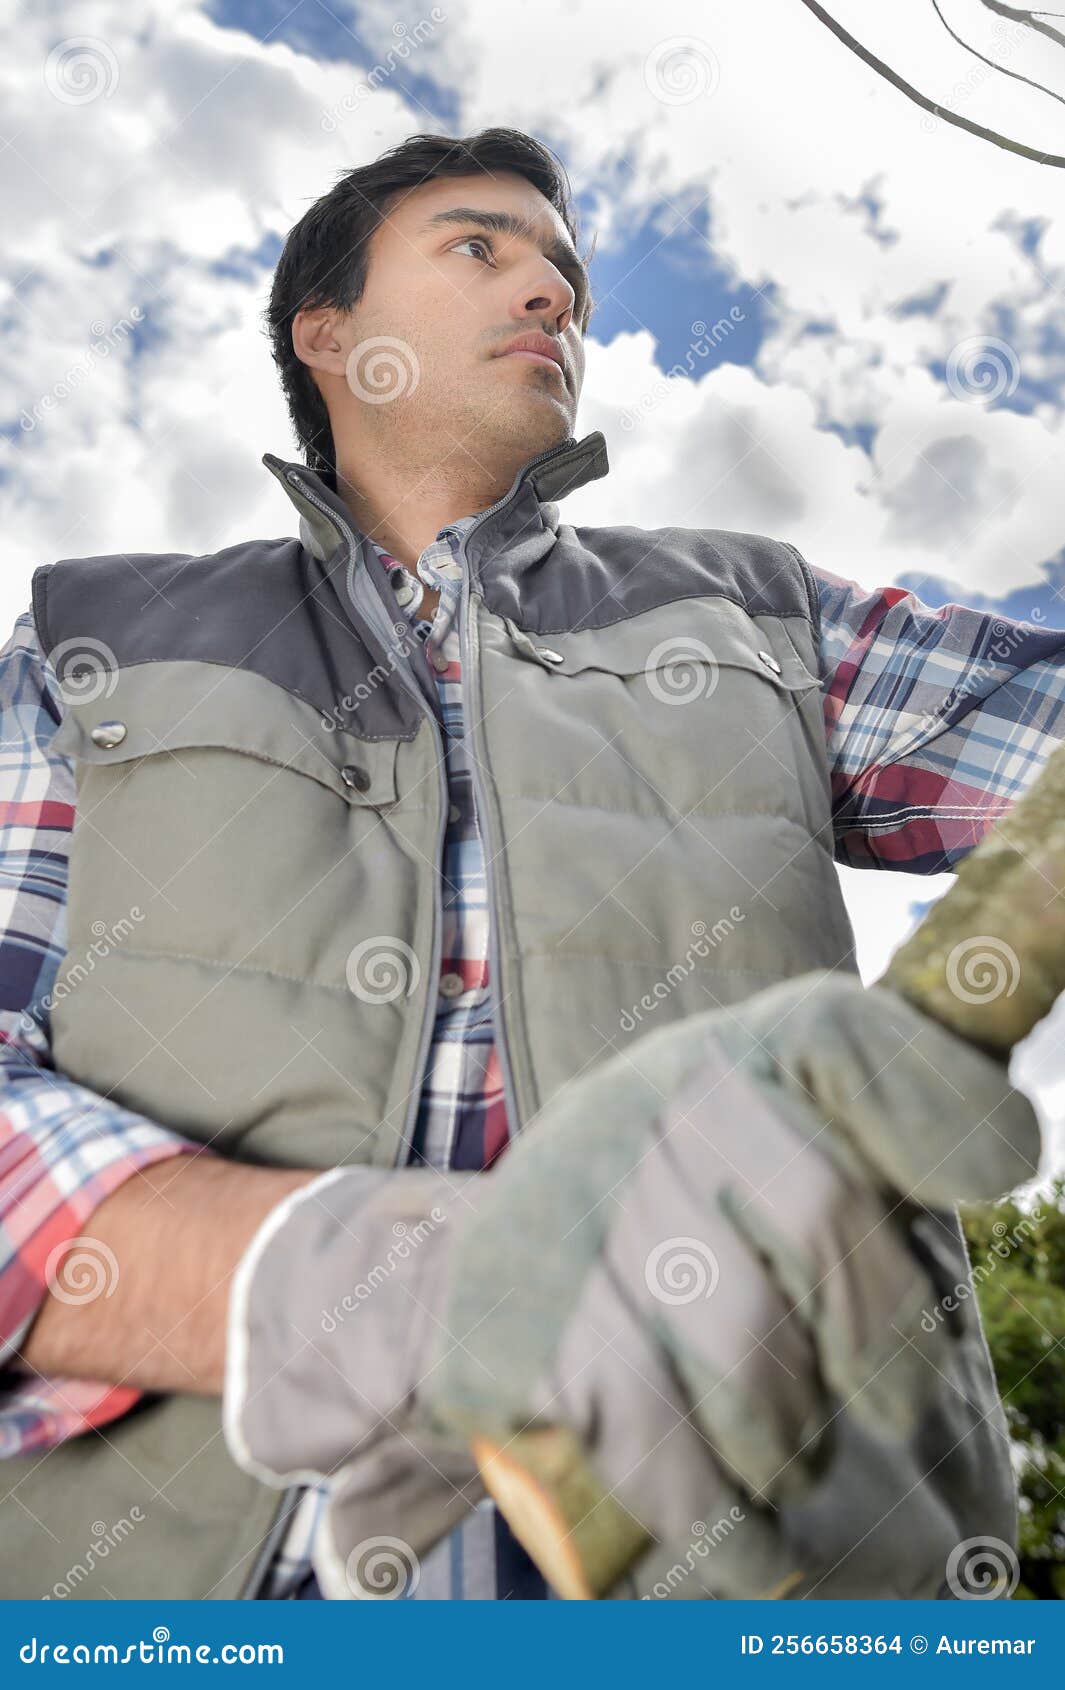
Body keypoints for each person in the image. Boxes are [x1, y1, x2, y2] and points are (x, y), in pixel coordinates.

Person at [0, 126, 1060, 1601]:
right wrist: (340, 1283)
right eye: (479, 248)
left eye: (566, 272)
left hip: (769, 1592)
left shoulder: (761, 616)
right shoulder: (93, 643)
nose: (553, 292)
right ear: (326, 333)